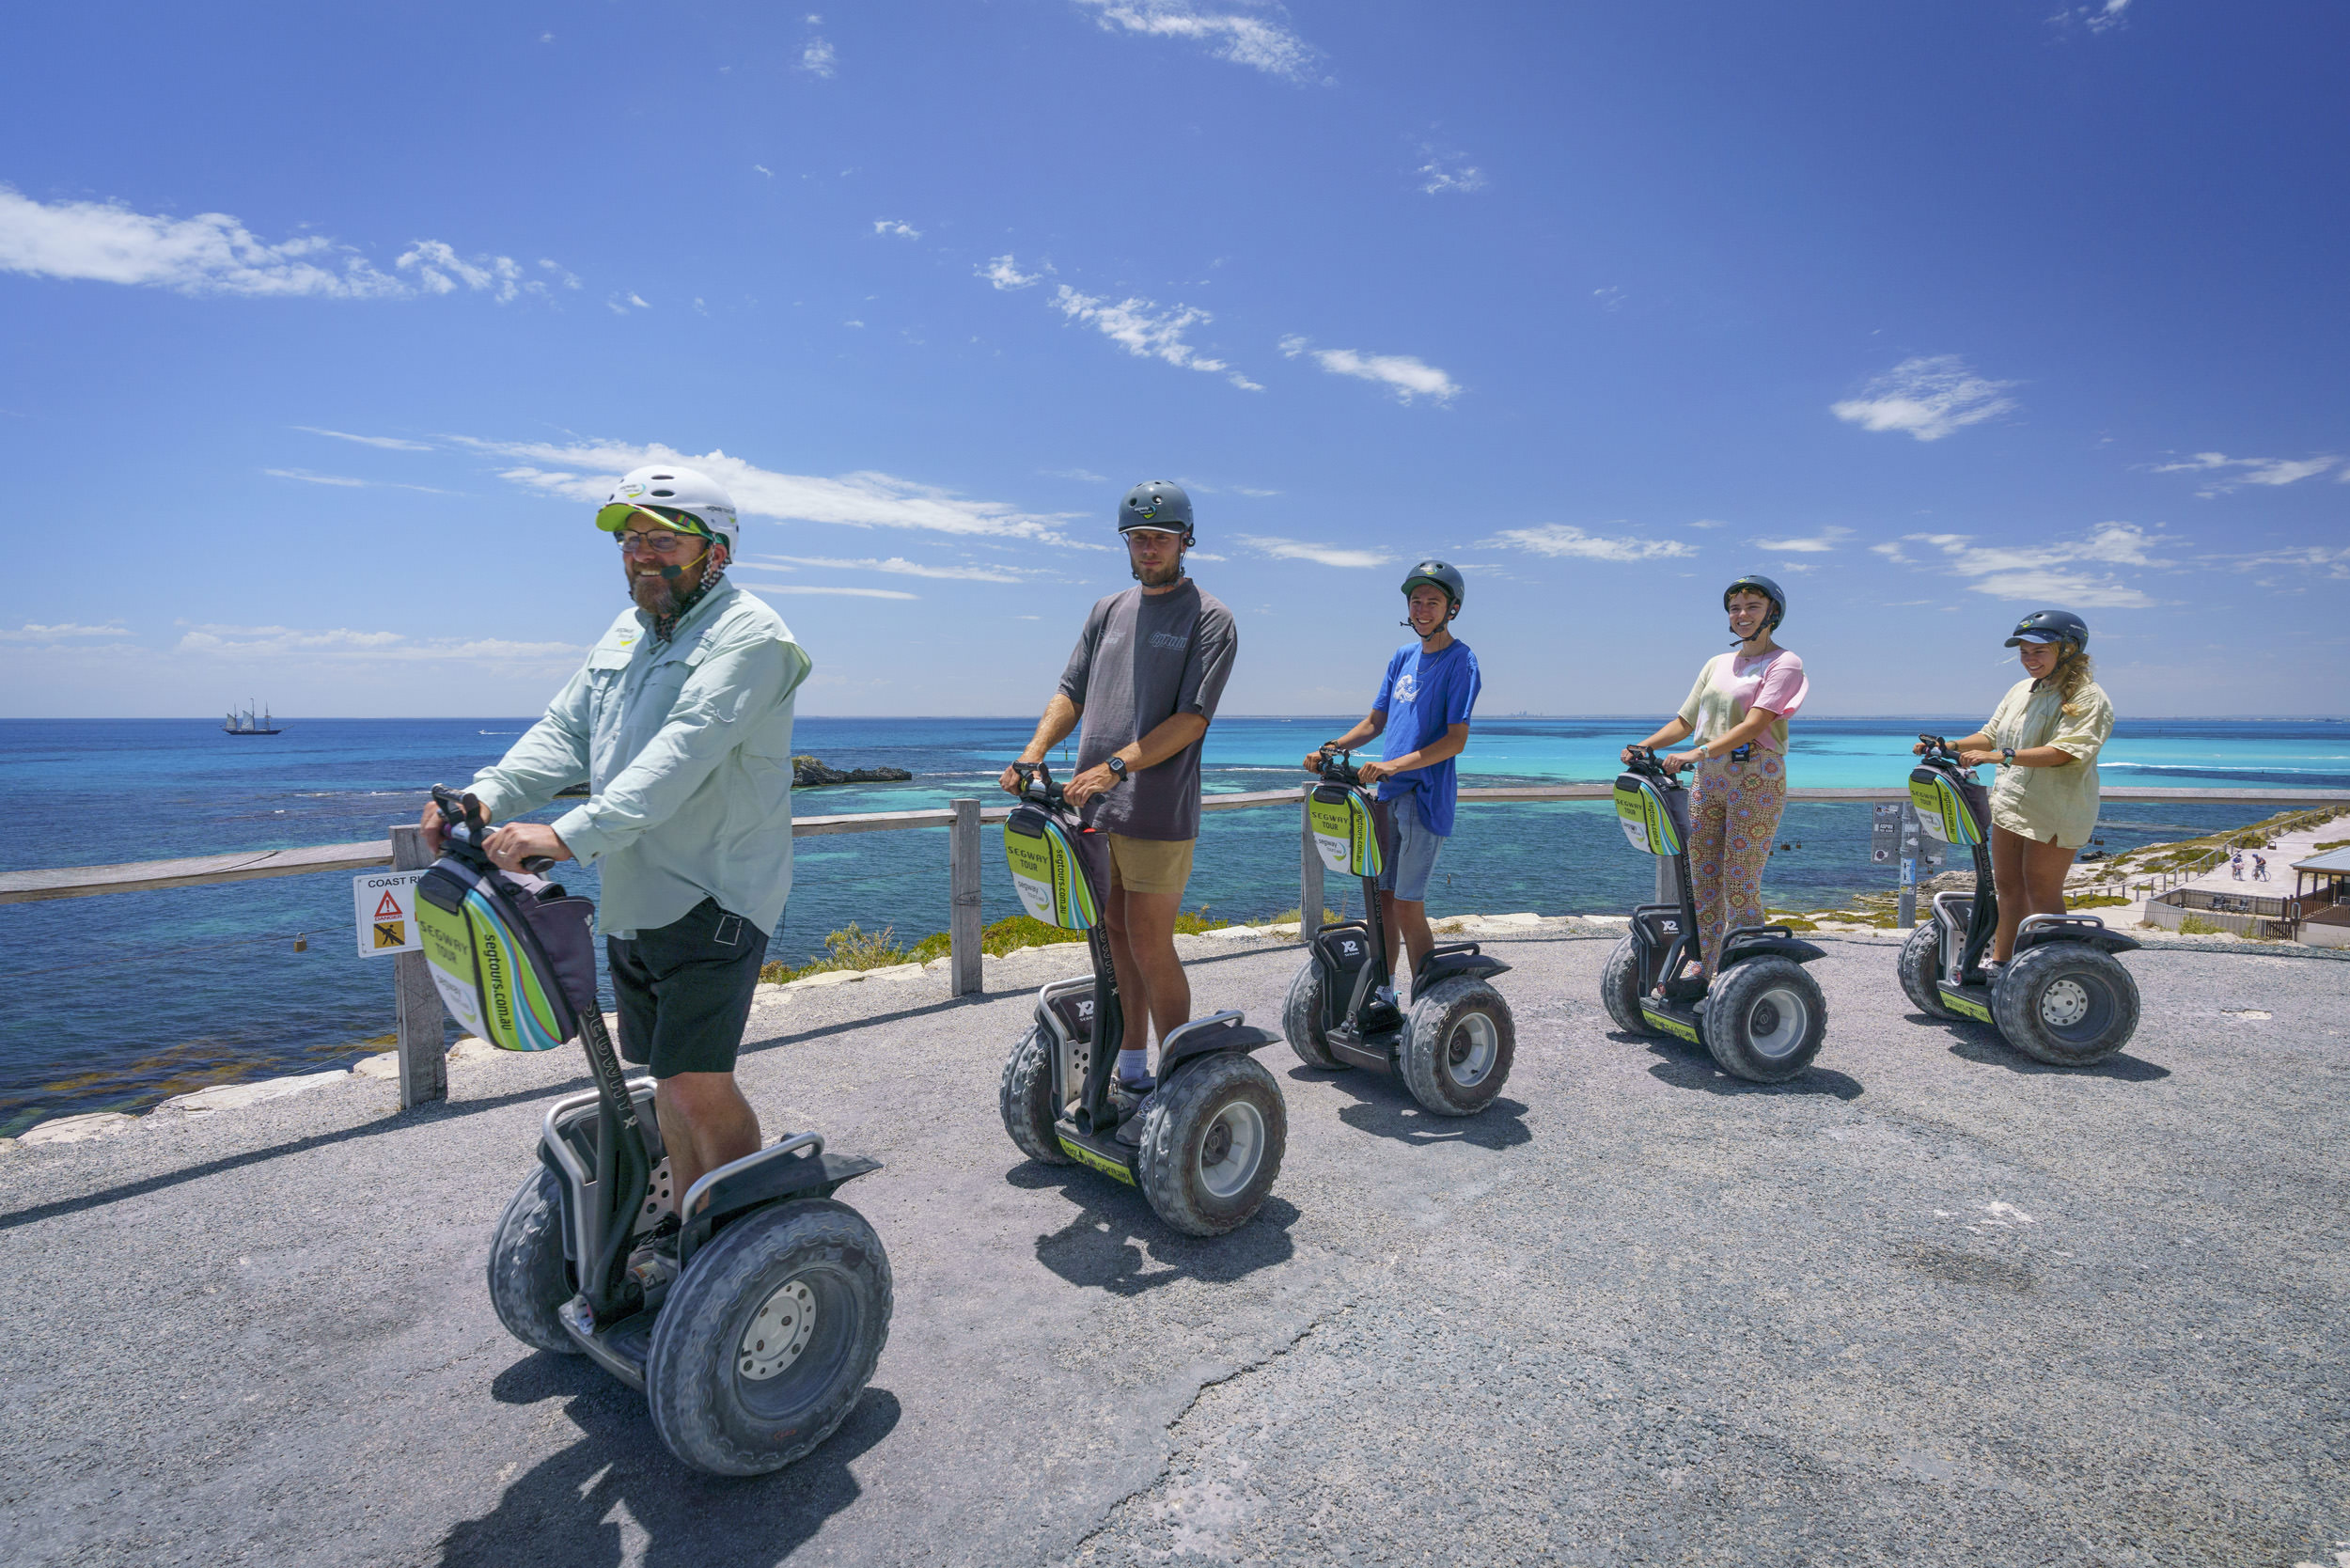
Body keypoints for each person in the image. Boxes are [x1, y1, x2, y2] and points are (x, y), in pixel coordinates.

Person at [419, 463, 812, 1202]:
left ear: (715, 551)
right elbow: (566, 733)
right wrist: (485, 794)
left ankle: (742, 1230)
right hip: (635, 891)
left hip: (716, 892)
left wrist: (565, 834)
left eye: (661, 541)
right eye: (631, 542)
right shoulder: (625, 635)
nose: (640, 556)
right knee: (666, 1081)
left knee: (697, 1085)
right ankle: (699, 1228)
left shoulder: (753, 637)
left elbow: (683, 752)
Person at [999, 480, 1238, 1143]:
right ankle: (1131, 1069)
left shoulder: (1210, 618)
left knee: (1151, 942)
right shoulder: (1108, 609)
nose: (1149, 547)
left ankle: (1178, 1078)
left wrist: (1115, 767)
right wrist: (1034, 754)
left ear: (1185, 541)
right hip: (1092, 808)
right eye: (1138, 537)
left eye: (1161, 536)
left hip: (1156, 806)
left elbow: (1191, 720)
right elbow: (1070, 690)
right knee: (1114, 938)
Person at [1302, 560, 1481, 1003]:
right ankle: (1386, 990)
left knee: (1406, 904)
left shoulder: (1462, 661)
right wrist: (1332, 747)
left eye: (1432, 602)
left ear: (1451, 609)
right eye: (1416, 601)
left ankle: (1429, 1003)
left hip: (1424, 799)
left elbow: (1455, 740)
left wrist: (1396, 765)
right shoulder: (1402, 656)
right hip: (1387, 797)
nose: (1422, 609)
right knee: (1382, 905)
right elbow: (1376, 720)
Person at [1622, 574, 1809, 996]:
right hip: (1710, 780)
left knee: (1740, 880)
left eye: (1752, 607)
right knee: (1702, 879)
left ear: (1772, 614)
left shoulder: (1785, 663)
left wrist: (1698, 752)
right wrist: (1643, 746)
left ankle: (1744, 972)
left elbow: (1756, 723)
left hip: (1756, 777)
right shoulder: (1716, 665)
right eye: (1735, 608)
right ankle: (1706, 966)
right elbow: (1686, 722)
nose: (1742, 615)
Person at [1912, 608, 2114, 971]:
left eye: (2039, 651)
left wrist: (2000, 756)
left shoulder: (2088, 697)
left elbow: (2064, 751)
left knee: (2041, 889)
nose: (2029, 660)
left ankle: (2059, 969)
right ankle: (2002, 964)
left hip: (2055, 807)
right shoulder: (2021, 690)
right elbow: (1990, 733)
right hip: (2010, 802)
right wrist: (1952, 745)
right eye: (2024, 652)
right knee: (2006, 887)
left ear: (2067, 650)